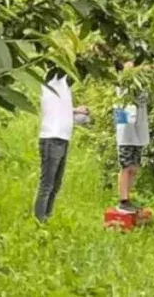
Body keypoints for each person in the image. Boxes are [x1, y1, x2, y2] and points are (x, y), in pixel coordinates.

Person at [34, 69, 87, 223]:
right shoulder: (52, 81)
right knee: (47, 184)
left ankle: (46, 217)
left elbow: (60, 108)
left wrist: (76, 111)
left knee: (56, 184)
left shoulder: (63, 87)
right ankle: (39, 220)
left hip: (63, 138)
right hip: (52, 137)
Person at [113, 63, 149, 213]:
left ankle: (128, 197)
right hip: (126, 133)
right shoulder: (122, 85)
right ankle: (123, 199)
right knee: (126, 167)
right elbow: (121, 115)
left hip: (137, 133)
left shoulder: (140, 86)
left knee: (134, 167)